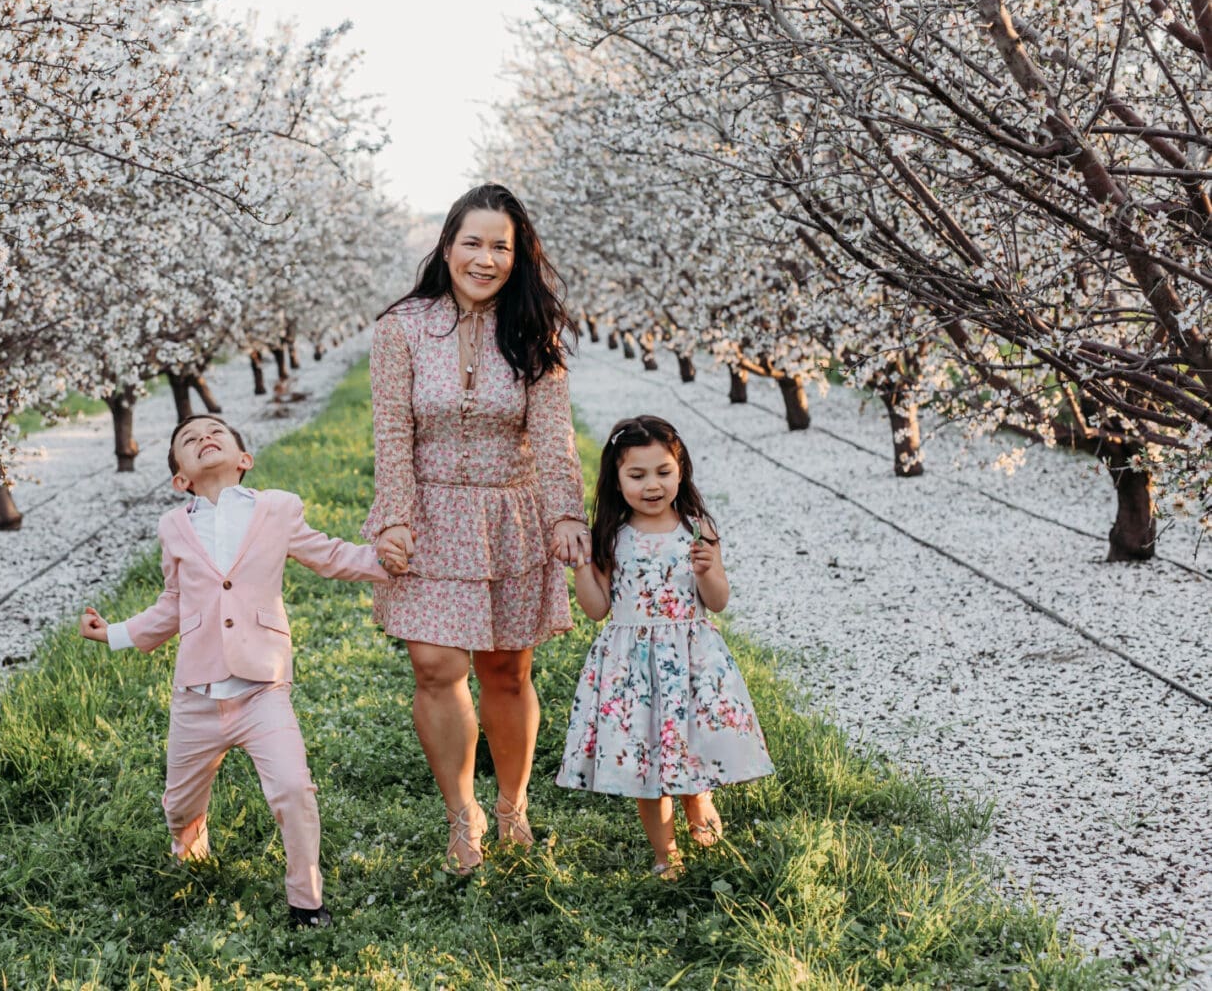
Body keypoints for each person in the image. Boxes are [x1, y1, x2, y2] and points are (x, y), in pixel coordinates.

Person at [80, 413, 390, 927]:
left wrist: (388, 562)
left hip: (262, 688)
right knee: (180, 804)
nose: (204, 437)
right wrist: (113, 632)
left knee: (293, 788)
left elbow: (329, 555)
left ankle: (306, 902)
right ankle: (191, 854)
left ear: (243, 460)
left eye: (215, 432)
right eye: (188, 439)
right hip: (197, 695)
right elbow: (173, 604)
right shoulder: (174, 526)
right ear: (181, 478)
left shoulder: (277, 509)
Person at [365, 183, 588, 874]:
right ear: (448, 245)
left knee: (505, 669)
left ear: (518, 258)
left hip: (508, 514)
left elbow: (552, 436)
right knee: (435, 666)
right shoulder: (400, 328)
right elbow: (392, 433)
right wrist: (395, 517)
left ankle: (513, 803)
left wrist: (565, 515)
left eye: (501, 246)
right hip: (429, 512)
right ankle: (464, 815)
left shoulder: (533, 330)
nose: (485, 259)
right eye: (473, 243)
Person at [557, 415, 774, 878]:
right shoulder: (611, 536)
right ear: (616, 479)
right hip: (633, 667)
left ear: (681, 471)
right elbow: (597, 609)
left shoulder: (697, 528)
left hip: (693, 660)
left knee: (691, 751)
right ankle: (665, 855)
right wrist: (581, 570)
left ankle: (702, 814)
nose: (652, 485)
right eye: (637, 475)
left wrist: (707, 569)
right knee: (647, 767)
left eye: (663, 472)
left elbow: (716, 601)